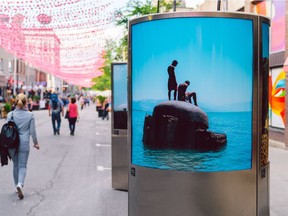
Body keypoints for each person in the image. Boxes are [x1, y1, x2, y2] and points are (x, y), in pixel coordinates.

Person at [6, 93, 40, 200]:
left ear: (16, 102)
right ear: (26, 103)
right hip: (24, 143)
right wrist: (35, 142)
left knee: (16, 165)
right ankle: (20, 184)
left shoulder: (10, 115)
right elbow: (32, 132)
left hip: (12, 143)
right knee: (23, 166)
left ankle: (17, 186)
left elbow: (7, 130)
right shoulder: (30, 115)